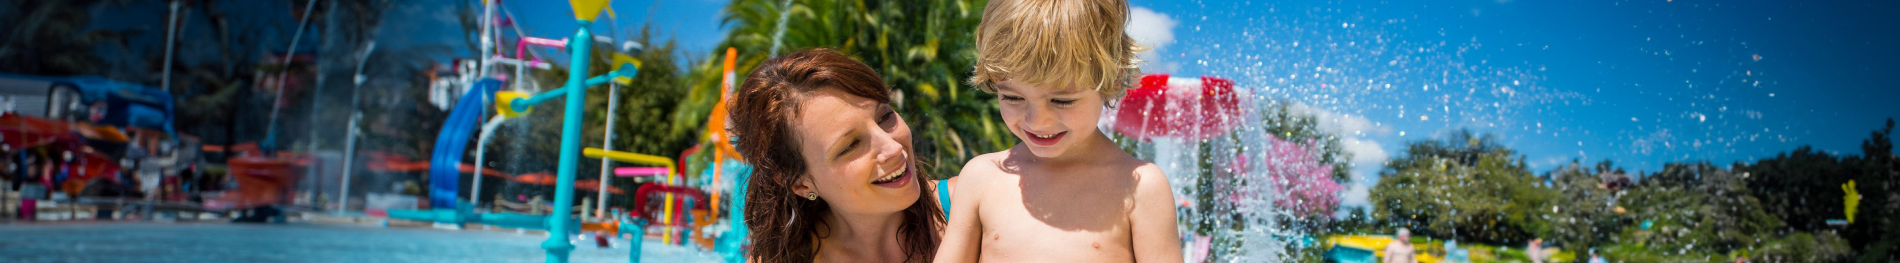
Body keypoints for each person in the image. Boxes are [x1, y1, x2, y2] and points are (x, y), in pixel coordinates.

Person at [933, 0, 1181, 262]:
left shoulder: (1139, 186)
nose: (1038, 121)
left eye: (1062, 101)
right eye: (1013, 98)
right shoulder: (981, 177)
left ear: (1114, 78)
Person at [730, 48, 945, 263]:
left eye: (885, 116)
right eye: (851, 145)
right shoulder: (781, 260)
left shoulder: (969, 204)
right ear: (800, 184)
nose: (893, 148)